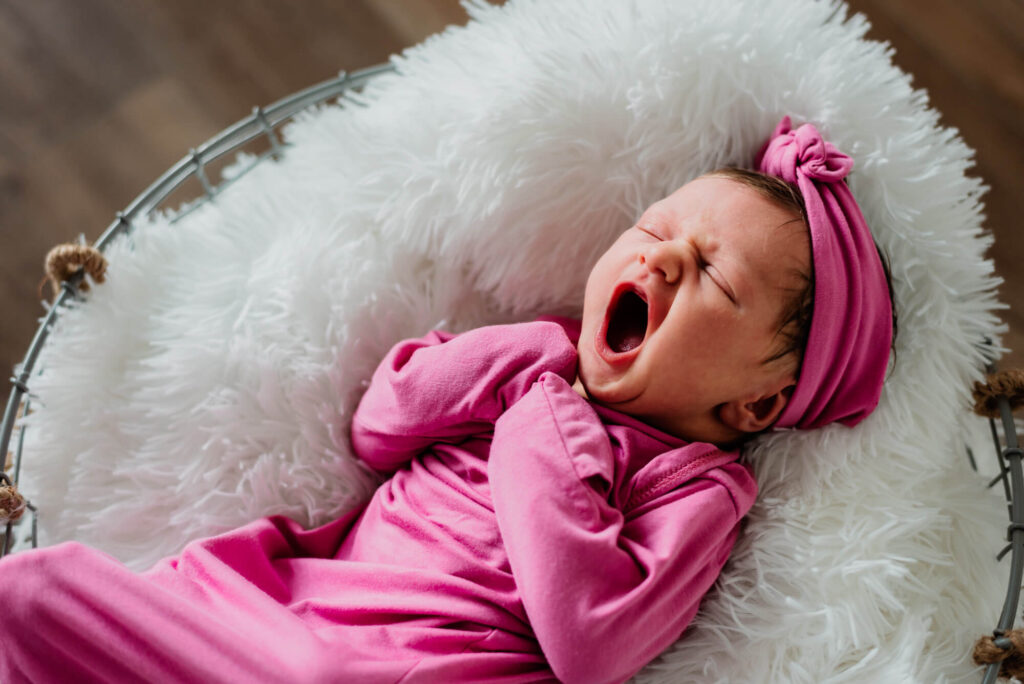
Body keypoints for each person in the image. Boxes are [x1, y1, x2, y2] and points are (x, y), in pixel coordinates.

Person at [0, 117, 894, 683]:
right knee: (35, 596)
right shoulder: (531, 361)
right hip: (291, 612)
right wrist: (523, 365)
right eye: (654, 231)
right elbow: (382, 424)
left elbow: (592, 643)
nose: (659, 259)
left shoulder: (695, 487)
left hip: (417, 667)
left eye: (711, 277)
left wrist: (544, 431)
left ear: (757, 405)